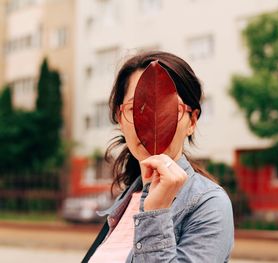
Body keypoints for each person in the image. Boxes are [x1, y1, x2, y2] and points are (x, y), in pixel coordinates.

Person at [83, 51, 234, 263]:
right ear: (120, 119)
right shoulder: (126, 200)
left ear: (192, 122)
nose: (150, 122)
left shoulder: (209, 204)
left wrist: (155, 214)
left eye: (169, 109)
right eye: (136, 108)